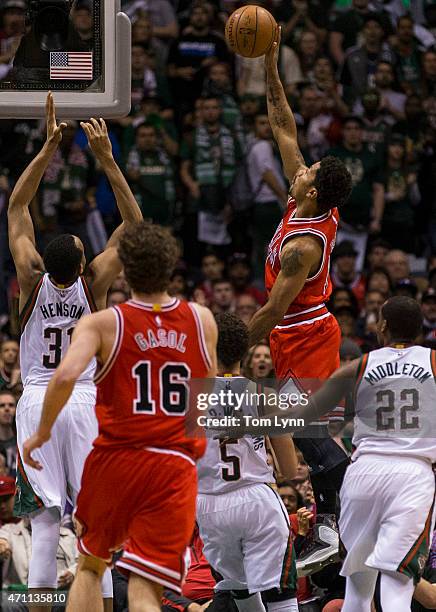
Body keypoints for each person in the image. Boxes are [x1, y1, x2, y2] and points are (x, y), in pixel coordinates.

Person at [23, 221, 217, 612]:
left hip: (117, 454)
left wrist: (41, 433)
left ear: (124, 270)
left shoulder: (106, 322)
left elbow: (64, 374)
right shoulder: (201, 320)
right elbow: (203, 400)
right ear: (171, 267)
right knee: (145, 588)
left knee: (84, 558)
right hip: (173, 463)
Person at [7, 94, 142, 608]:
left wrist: (47, 149)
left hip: (39, 400)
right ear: (85, 259)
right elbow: (133, 224)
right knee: (94, 519)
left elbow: (18, 207)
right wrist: (107, 161)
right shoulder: (95, 284)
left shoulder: (31, 278)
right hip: (85, 401)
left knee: (42, 519)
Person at [261, 296, 436, 612]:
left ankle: (326, 535)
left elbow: (310, 419)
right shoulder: (434, 362)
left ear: (381, 326)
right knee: (397, 589)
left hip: (363, 473)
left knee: (357, 590)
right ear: (421, 331)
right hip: (411, 475)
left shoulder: (360, 366)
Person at [247, 27, 352, 521]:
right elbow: (284, 127)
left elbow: (272, 310)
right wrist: (270, 67)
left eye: (308, 173)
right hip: (295, 331)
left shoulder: (303, 247)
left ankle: (342, 502)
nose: (301, 169)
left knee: (302, 424)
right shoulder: (307, 199)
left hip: (305, 330)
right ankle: (330, 508)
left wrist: (229, 347)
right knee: (289, 423)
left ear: (311, 194)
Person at [196, 312, 299, 612]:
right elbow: (290, 469)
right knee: (281, 594)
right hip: (256, 500)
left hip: (208, 504)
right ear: (246, 352)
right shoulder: (263, 395)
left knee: (241, 593)